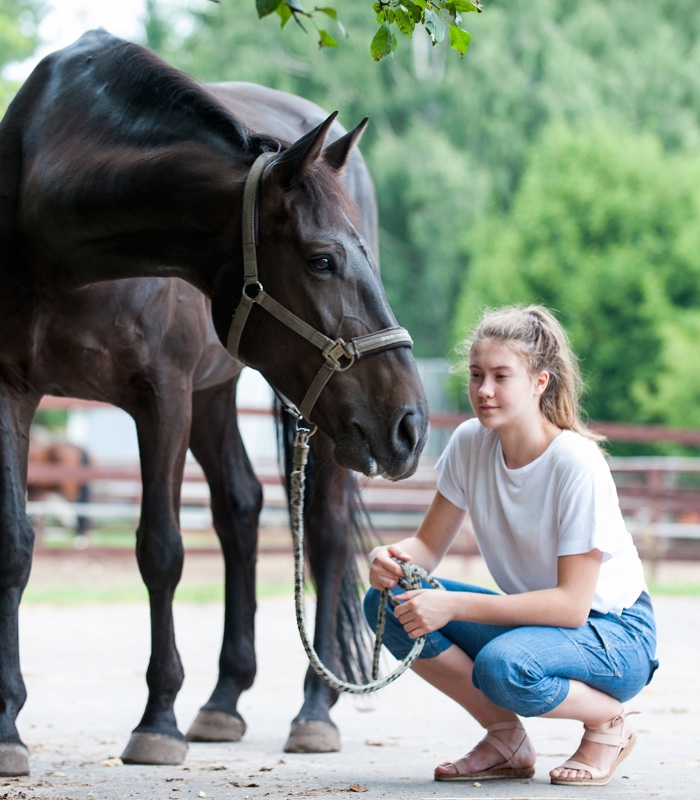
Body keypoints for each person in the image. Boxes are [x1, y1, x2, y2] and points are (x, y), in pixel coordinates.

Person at [364, 304, 658, 786]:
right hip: (538, 628)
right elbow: (426, 546)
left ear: (540, 382)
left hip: (615, 636)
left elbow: (571, 607)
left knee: (507, 666)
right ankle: (506, 739)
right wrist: (390, 559)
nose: (484, 390)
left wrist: (451, 603)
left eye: (502, 376)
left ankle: (609, 722)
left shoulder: (575, 463)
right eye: (477, 375)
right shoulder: (469, 443)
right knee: (389, 604)